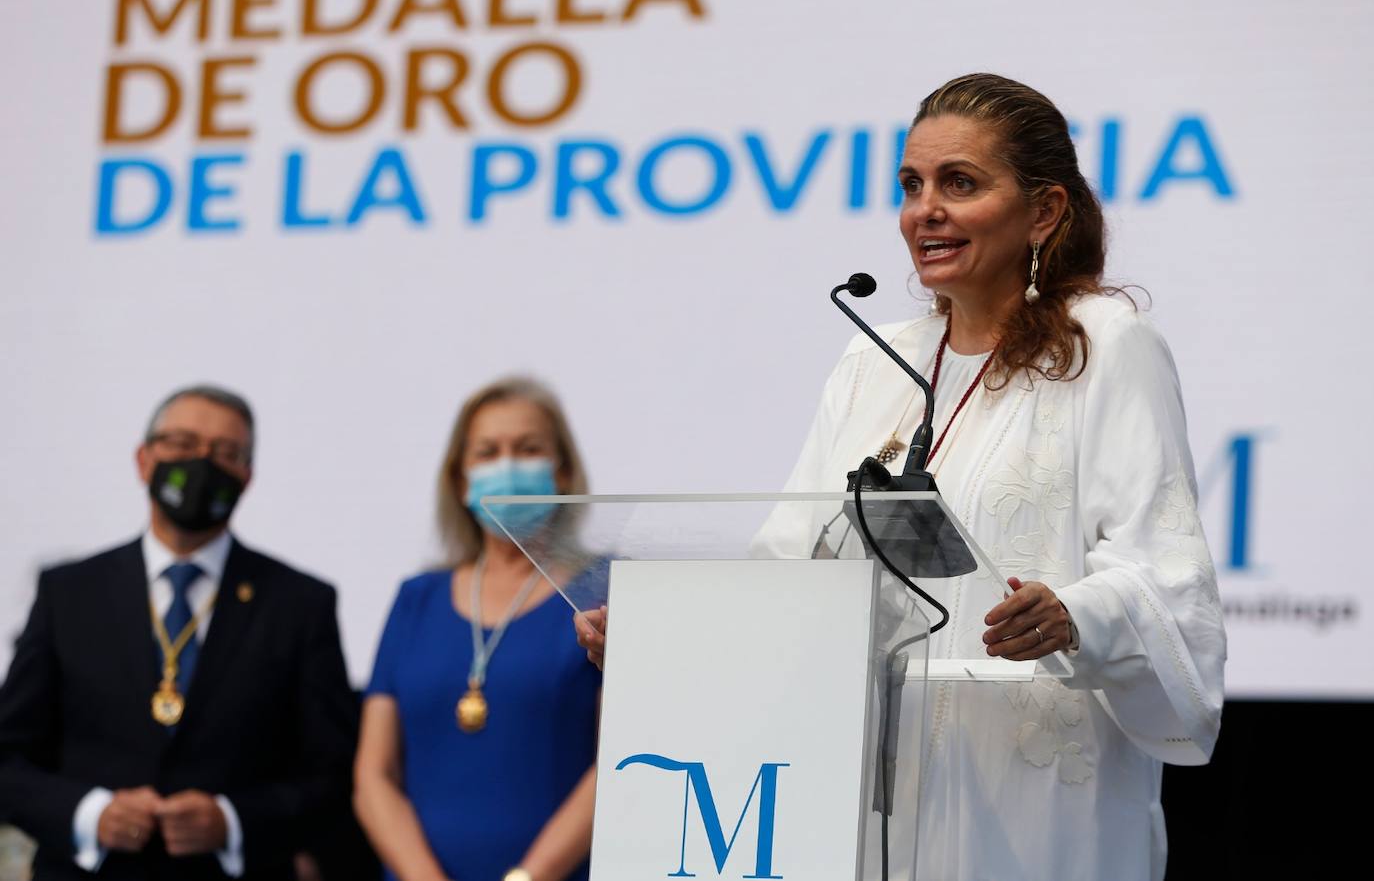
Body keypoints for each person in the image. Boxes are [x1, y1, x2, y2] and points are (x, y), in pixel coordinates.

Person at [577, 74, 1227, 881]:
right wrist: (664, 637)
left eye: (960, 183)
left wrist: (1072, 616)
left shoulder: (1106, 345)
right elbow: (790, 565)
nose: (925, 210)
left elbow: (1163, 572)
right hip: (867, 793)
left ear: (1045, 211)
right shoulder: (874, 361)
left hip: (1029, 806)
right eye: (911, 186)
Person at [0, 385, 360, 881]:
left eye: (226, 453)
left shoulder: (300, 603)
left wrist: (232, 821)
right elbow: (9, 759)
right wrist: (90, 813)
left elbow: (334, 775)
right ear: (144, 460)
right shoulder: (69, 593)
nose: (202, 463)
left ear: (247, 477)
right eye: (183, 444)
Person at [355, 377, 600, 881]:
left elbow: (620, 760)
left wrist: (529, 877)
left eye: (528, 449)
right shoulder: (416, 599)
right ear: (461, 480)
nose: (507, 467)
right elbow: (374, 775)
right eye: (488, 452)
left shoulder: (603, 592)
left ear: (564, 471)